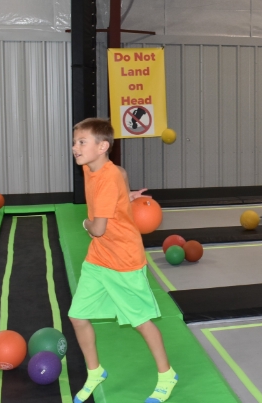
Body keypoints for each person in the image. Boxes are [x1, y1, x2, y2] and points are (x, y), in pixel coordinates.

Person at [68, 118, 177, 403]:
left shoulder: (105, 178)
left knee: (140, 321)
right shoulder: (97, 168)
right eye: (75, 141)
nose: (75, 147)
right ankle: (95, 371)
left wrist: (85, 223)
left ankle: (167, 375)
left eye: (82, 142)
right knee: (77, 316)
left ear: (102, 146)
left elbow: (98, 229)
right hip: (99, 259)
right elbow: (121, 174)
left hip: (124, 261)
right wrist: (125, 197)